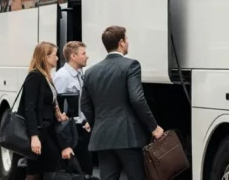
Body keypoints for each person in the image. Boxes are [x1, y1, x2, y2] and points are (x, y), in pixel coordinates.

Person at [81, 26, 163, 180]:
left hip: (103, 136)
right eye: (126, 39)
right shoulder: (131, 65)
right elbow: (137, 99)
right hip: (128, 136)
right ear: (121, 43)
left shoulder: (90, 72)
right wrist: (154, 127)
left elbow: (84, 104)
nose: (127, 43)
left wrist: (97, 123)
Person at [17, 41, 70, 179]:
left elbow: (49, 103)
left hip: (48, 130)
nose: (57, 58)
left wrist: (58, 114)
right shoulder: (35, 76)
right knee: (35, 172)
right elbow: (29, 108)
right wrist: (34, 137)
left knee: (41, 171)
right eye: (54, 55)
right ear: (44, 57)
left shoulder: (47, 77)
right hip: (39, 133)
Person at [53, 41, 93, 174]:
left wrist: (84, 121)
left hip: (81, 128)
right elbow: (55, 105)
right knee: (74, 171)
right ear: (73, 56)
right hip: (70, 130)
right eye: (83, 53)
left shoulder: (81, 74)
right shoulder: (62, 76)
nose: (86, 56)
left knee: (86, 169)